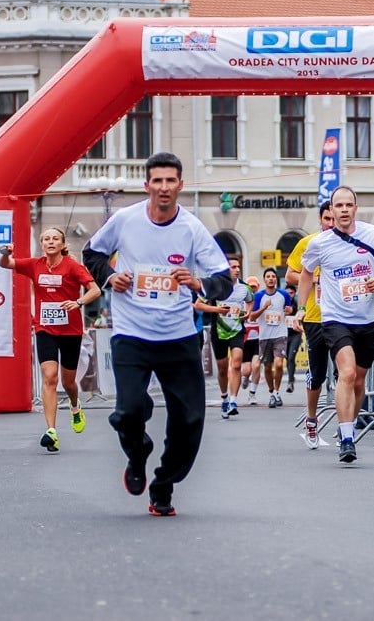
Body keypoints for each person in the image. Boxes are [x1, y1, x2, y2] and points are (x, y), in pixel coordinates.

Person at [82, 151, 232, 516]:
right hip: (132, 333)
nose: (164, 188)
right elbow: (92, 253)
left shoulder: (192, 228)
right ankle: (138, 454)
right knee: (130, 409)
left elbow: (224, 281)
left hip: (178, 335)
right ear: (146, 185)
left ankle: (163, 484)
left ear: (181, 185)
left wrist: (198, 282)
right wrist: (109, 276)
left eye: (171, 181)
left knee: (191, 419)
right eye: (157, 181)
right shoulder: (125, 220)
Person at [293, 185, 374, 463]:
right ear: (331, 211)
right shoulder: (319, 244)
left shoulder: (373, 235)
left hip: (369, 318)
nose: (344, 210)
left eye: (349, 205)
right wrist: (301, 308)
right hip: (336, 318)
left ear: (356, 208)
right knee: (346, 373)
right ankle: (347, 437)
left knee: (359, 380)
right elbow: (305, 274)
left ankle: (348, 423)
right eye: (339, 206)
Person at [0, 227, 102, 452]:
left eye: (55, 238)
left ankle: (75, 407)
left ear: (62, 244)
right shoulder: (34, 264)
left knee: (68, 383)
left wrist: (78, 303)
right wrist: (6, 253)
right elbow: (6, 264)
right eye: (46, 239)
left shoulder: (73, 266)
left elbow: (95, 290)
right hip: (45, 328)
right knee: (50, 377)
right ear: (42, 244)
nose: (50, 242)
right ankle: (51, 431)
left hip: (70, 331)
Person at [285, 200, 334, 449]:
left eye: (334, 219)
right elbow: (291, 274)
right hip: (316, 317)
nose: (331, 224)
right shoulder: (309, 243)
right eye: (327, 219)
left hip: (344, 316)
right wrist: (315, 276)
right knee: (318, 374)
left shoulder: (352, 243)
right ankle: (312, 419)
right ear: (321, 219)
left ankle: (347, 430)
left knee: (350, 373)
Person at [194, 254, 253, 418]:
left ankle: (233, 401)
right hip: (219, 331)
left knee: (236, 363)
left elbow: (250, 301)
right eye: (233, 267)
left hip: (237, 330)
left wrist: (247, 313)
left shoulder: (244, 287)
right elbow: (198, 305)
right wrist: (217, 310)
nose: (237, 270)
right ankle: (225, 397)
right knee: (222, 368)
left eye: (238, 267)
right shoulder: (216, 287)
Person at [249, 268, 292, 407]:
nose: (271, 278)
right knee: (267, 367)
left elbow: (289, 309)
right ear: (264, 279)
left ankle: (276, 392)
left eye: (273, 276)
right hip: (264, 336)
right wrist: (264, 308)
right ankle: (272, 392)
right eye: (268, 276)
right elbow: (252, 316)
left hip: (280, 333)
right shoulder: (259, 296)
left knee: (279, 364)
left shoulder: (284, 294)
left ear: (275, 279)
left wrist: (289, 310)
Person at [241, 275, 262, 403]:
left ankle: (252, 393)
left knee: (256, 366)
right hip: (245, 337)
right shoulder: (241, 300)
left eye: (254, 287)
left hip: (259, 337)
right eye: (250, 287)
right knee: (246, 369)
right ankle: (245, 377)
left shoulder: (261, 299)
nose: (252, 289)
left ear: (258, 287)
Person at [283, 284, 302, 393]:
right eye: (287, 293)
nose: (289, 295)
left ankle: (290, 381)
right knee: (288, 358)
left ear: (295, 294)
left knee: (291, 357)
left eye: (291, 293)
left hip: (295, 334)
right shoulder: (281, 304)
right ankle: (291, 376)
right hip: (284, 335)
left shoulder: (298, 305)